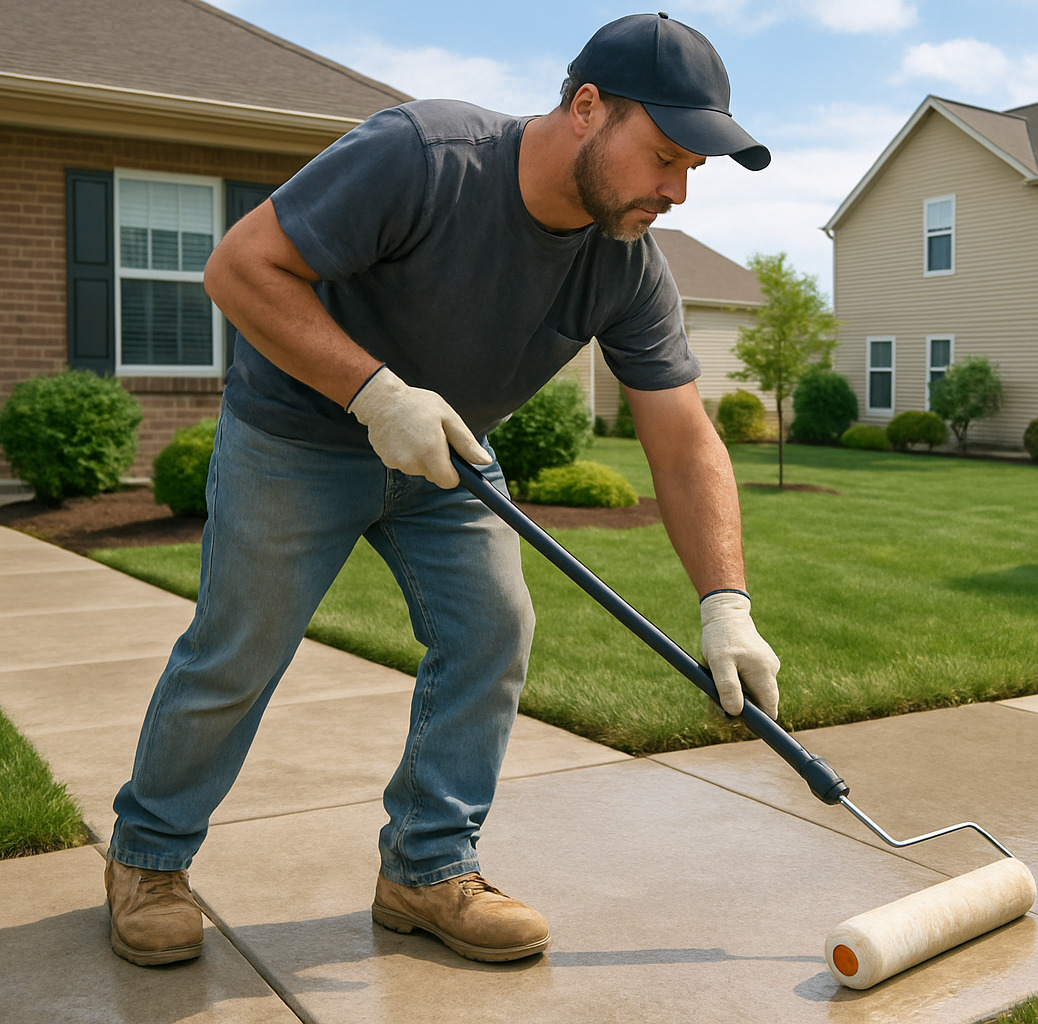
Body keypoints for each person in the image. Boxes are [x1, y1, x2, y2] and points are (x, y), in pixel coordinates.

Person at [104, 12, 781, 967]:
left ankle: (427, 870)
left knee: (493, 630)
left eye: (690, 172)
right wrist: (372, 390)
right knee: (238, 649)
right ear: (586, 109)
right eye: (664, 157)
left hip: (446, 454)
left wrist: (726, 605)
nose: (673, 192)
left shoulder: (625, 264)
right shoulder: (421, 157)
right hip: (297, 436)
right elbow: (239, 267)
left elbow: (682, 440)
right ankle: (149, 859)